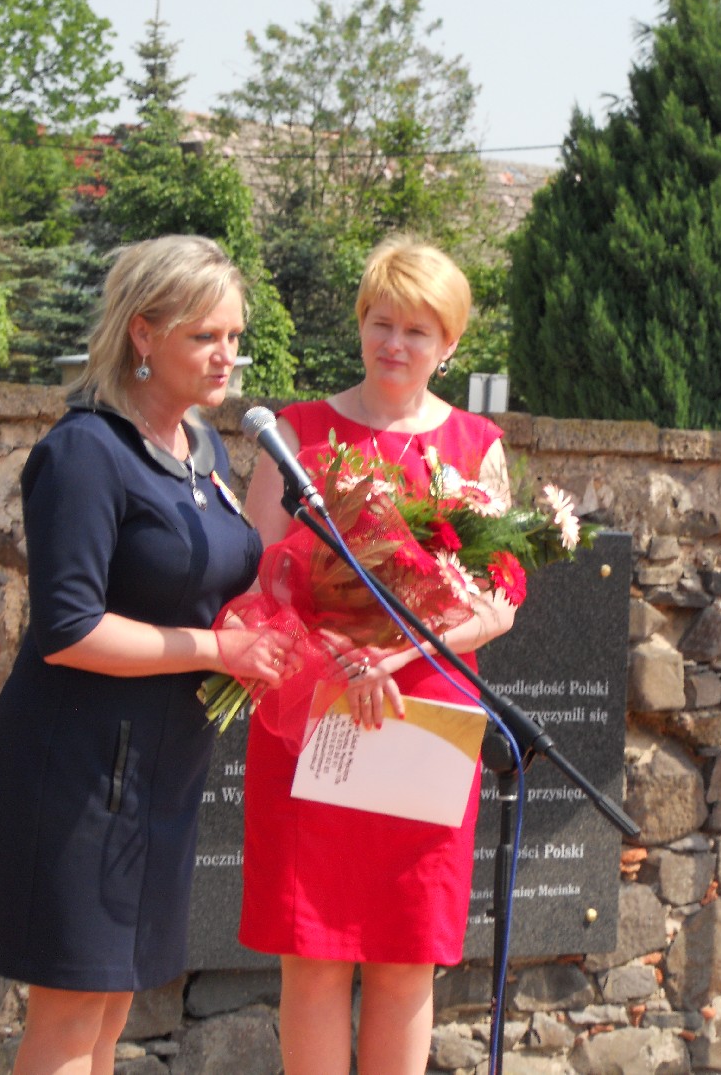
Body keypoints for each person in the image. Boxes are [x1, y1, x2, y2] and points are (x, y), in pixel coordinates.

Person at [0, 235, 291, 1075]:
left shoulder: (203, 451)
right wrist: (218, 647)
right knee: (71, 1015)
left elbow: (210, 579)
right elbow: (69, 629)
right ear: (142, 333)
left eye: (234, 335)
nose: (226, 355)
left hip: (164, 765)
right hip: (80, 770)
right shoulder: (85, 451)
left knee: (112, 1008)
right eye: (204, 335)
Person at [239, 234, 518, 1075]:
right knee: (313, 953)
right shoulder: (295, 435)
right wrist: (334, 658)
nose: (395, 344)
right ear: (360, 323)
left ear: (449, 343)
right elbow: (257, 583)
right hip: (313, 712)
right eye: (381, 322)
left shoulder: (476, 445)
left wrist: (394, 657)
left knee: (406, 954)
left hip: (422, 717)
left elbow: (497, 600)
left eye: (417, 330)